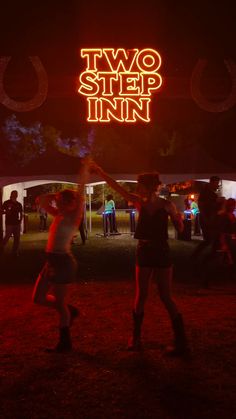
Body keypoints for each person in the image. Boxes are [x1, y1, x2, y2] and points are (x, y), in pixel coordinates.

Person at [91, 161, 187, 356]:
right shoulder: (139, 202)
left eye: (140, 184)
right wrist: (101, 172)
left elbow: (180, 228)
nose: (137, 187)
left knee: (165, 296)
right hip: (144, 250)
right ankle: (135, 338)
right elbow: (116, 186)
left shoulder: (167, 205)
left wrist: (179, 221)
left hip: (161, 251)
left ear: (150, 186)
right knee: (141, 295)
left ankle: (181, 341)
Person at [32, 159, 90, 353]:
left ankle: (65, 342)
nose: (64, 203)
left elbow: (80, 192)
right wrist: (57, 195)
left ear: (74, 203)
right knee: (38, 298)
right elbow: (41, 200)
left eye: (69, 201)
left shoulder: (74, 217)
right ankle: (69, 310)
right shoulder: (58, 214)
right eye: (63, 201)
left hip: (63, 262)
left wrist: (85, 168)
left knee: (58, 304)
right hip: (51, 261)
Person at [1, 190, 23, 257]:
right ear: (11, 194)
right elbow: (1, 211)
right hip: (9, 223)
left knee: (17, 238)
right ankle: (1, 248)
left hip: (17, 223)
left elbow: (21, 213)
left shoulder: (19, 204)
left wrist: (20, 220)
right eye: (14, 194)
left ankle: (14, 252)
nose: (15, 195)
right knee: (7, 237)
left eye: (16, 194)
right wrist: (5, 212)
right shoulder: (6, 202)